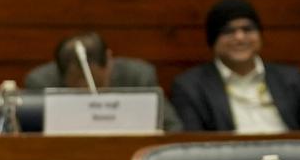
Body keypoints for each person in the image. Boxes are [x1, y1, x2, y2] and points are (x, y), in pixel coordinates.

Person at [171, 0, 300, 132]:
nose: (240, 37)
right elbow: (193, 143)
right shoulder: (191, 86)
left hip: (290, 152)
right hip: (228, 153)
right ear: (213, 41)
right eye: (228, 31)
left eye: (247, 29)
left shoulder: (290, 78)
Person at [26, 31, 183, 131]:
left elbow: (173, 128)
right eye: (78, 86)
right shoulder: (41, 83)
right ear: (60, 73)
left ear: (109, 60)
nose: (89, 92)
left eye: (98, 84)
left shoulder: (137, 77)